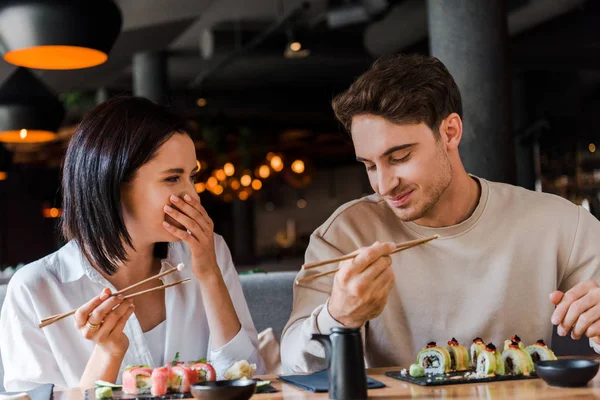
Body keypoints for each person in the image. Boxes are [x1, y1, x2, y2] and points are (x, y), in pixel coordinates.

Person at [281, 54, 600, 373]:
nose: (383, 184)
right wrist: (338, 317)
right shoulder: (345, 234)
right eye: (369, 166)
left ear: (450, 132)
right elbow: (292, 363)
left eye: (399, 157)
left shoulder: (556, 222)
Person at [0, 97, 265, 391]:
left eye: (191, 177)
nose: (193, 196)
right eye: (173, 178)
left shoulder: (207, 252)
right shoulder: (34, 291)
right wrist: (107, 354)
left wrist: (209, 275)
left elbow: (247, 379)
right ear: (113, 186)